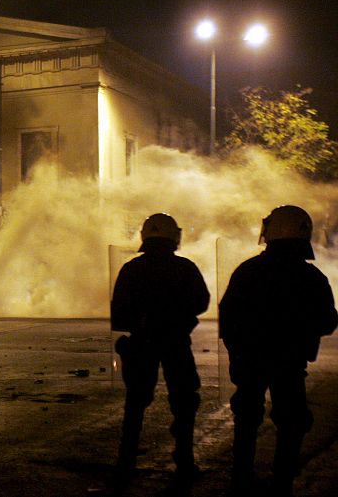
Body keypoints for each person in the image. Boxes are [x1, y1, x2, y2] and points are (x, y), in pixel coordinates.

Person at [220, 205, 337, 495]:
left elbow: (228, 316)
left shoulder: (247, 271)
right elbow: (328, 321)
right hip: (289, 362)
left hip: (249, 359)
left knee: (247, 417)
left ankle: (241, 478)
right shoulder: (311, 278)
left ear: (269, 232)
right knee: (292, 420)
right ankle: (282, 481)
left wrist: (237, 351)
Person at [111, 213, 210, 481]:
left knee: (136, 401)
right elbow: (202, 302)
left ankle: (126, 458)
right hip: (176, 341)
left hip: (141, 342)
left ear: (145, 236)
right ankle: (184, 460)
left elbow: (118, 313)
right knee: (184, 400)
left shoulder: (131, 269)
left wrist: (143, 322)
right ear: (174, 237)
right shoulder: (185, 268)